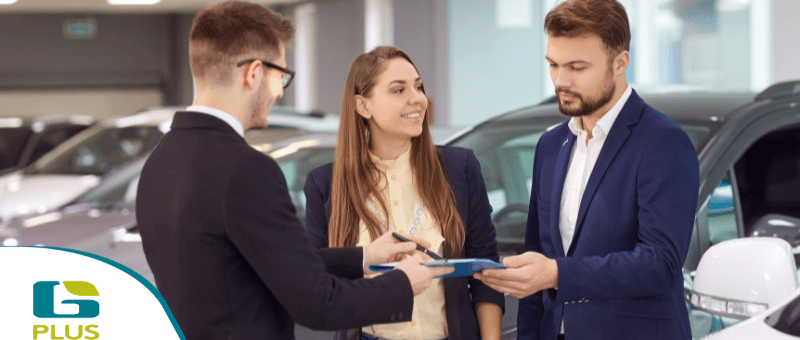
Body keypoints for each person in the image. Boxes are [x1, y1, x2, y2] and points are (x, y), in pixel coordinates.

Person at [136, 2, 451, 339]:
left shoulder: (160, 162)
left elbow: (257, 263)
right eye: (281, 76)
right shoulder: (247, 170)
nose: (278, 91)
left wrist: (364, 257)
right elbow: (318, 303)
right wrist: (402, 283)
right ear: (253, 73)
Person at [473, 1, 699, 339]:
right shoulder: (551, 146)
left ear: (620, 62)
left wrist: (556, 274)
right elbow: (538, 256)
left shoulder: (663, 143)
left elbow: (660, 263)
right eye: (553, 65)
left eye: (577, 67)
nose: (560, 80)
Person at [303, 46, 505, 340]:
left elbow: (487, 271)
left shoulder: (459, 168)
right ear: (363, 106)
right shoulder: (326, 184)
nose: (417, 99)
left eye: (419, 87)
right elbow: (316, 280)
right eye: (398, 90)